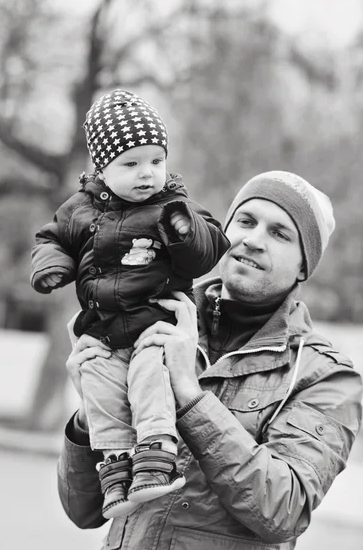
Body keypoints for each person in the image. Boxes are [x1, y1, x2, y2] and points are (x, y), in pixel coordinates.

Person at [58, 170, 362, 550]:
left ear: (304, 265)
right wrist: (93, 412)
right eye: (246, 222)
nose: (253, 240)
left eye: (280, 233)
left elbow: (284, 510)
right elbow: (84, 511)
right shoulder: (145, 318)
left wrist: (188, 392)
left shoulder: (325, 375)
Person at [30, 89, 230, 519]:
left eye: (156, 161)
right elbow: (52, 237)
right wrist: (52, 266)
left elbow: (212, 244)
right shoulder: (79, 209)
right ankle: (114, 467)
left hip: (154, 322)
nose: (147, 174)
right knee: (97, 379)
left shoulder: (174, 205)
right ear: (102, 168)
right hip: (101, 326)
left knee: (148, 374)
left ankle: (155, 456)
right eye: (131, 163)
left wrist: (183, 228)